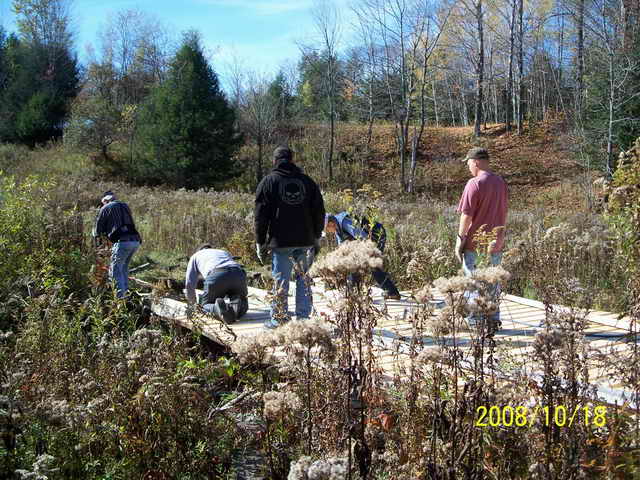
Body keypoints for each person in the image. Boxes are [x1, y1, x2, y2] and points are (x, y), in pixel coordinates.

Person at [255, 146, 325, 329]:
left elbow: (261, 215)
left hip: (281, 240)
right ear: (292, 160)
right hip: (305, 240)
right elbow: (319, 211)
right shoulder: (307, 181)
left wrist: (260, 241)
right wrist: (317, 236)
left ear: (274, 161)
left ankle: (279, 320)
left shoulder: (269, 181)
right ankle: (303, 320)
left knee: (281, 281)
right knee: (303, 280)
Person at [455, 147, 508, 327]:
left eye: (468, 163)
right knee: (493, 282)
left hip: (476, 243)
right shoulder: (500, 182)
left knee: (473, 283)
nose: (468, 167)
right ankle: (493, 319)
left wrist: (460, 239)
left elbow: (466, 215)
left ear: (476, 161)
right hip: (497, 242)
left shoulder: (474, 183)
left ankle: (475, 321)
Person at [324, 212, 401, 300]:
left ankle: (392, 292)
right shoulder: (337, 226)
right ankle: (355, 294)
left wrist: (364, 253)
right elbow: (342, 246)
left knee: (372, 264)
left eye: (326, 229)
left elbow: (362, 236)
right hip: (366, 239)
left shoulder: (344, 221)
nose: (327, 232)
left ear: (330, 223)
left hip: (376, 234)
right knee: (352, 264)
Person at [94, 191, 142, 298]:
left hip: (122, 242)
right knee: (123, 268)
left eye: (103, 203)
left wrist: (99, 249)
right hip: (135, 241)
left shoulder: (105, 208)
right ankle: (126, 295)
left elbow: (98, 231)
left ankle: (120, 300)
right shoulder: (125, 206)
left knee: (114, 271)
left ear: (105, 201)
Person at [185, 244, 248, 323]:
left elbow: (189, 284)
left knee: (205, 305)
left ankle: (217, 309)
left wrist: (193, 306)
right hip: (238, 273)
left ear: (200, 250)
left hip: (217, 274)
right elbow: (230, 270)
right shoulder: (223, 252)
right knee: (242, 299)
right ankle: (237, 302)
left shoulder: (195, 256)